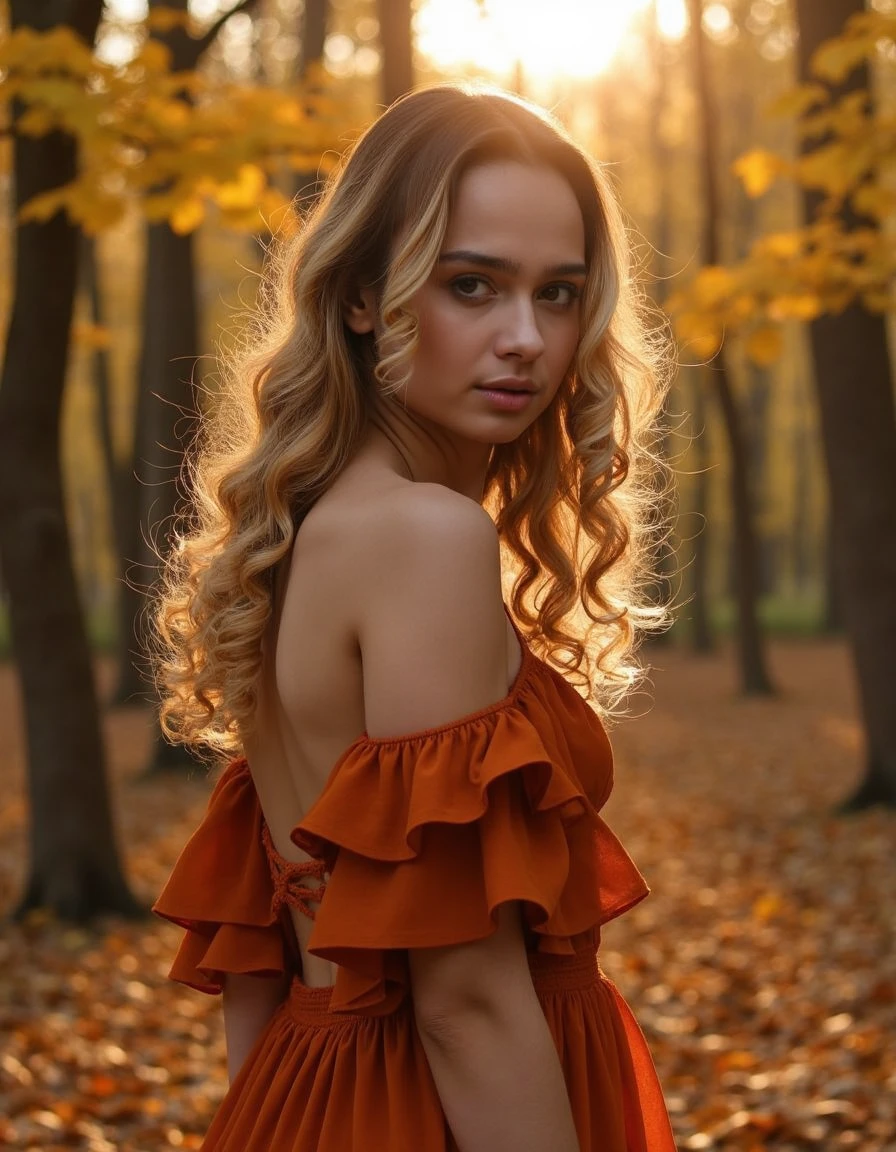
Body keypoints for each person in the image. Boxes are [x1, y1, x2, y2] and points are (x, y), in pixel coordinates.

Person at [151, 82, 677, 1152]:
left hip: (308, 1104)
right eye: (472, 285)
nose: (525, 338)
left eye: (560, 292)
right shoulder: (427, 540)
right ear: (359, 295)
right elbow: (466, 1005)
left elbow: (258, 968)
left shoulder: (292, 537)